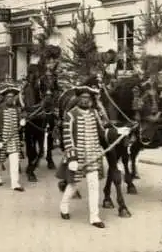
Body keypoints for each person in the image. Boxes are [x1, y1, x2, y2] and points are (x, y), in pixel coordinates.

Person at [57, 84, 108, 228]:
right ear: (78, 99)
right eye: (82, 97)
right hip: (77, 158)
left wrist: (119, 132)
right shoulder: (70, 115)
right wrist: (72, 157)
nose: (85, 100)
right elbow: (67, 138)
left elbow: (102, 132)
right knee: (73, 185)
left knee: (94, 186)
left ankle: (94, 217)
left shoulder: (94, 113)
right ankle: (64, 206)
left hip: (92, 156)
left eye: (87, 98)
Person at [0, 84, 26, 192]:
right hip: (2, 140)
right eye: (8, 97)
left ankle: (15, 183)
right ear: (4, 98)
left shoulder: (17, 109)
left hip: (14, 140)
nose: (10, 99)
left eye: (12, 97)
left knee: (15, 161)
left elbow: (18, 126)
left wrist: (21, 124)